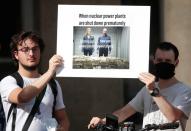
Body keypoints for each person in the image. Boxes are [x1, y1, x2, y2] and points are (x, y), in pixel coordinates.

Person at [88, 42, 191, 131]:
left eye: (168, 61)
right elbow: (124, 113)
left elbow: (173, 117)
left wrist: (153, 91)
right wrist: (103, 121)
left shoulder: (184, 91)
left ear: (176, 62)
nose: (163, 63)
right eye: (159, 60)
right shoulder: (146, 89)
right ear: (154, 61)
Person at [0, 31, 70, 131]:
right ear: (16, 55)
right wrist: (50, 72)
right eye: (25, 50)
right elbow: (22, 97)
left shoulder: (53, 84)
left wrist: (62, 129)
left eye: (35, 49)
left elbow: (63, 119)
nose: (31, 53)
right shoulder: (8, 81)